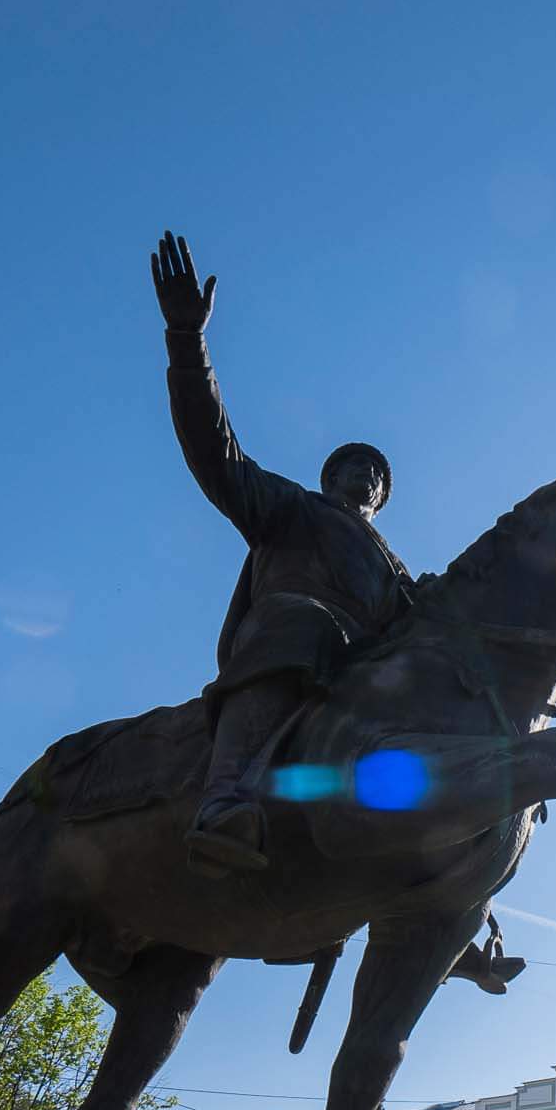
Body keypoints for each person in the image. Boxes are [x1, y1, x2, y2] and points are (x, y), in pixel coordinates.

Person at [152, 231, 415, 875]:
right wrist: (189, 344)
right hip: (294, 644)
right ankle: (226, 797)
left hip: (362, 673)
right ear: (329, 478)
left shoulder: (397, 573)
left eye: (379, 474)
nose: (371, 476)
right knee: (301, 616)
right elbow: (218, 454)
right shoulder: (293, 508)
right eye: (358, 465)